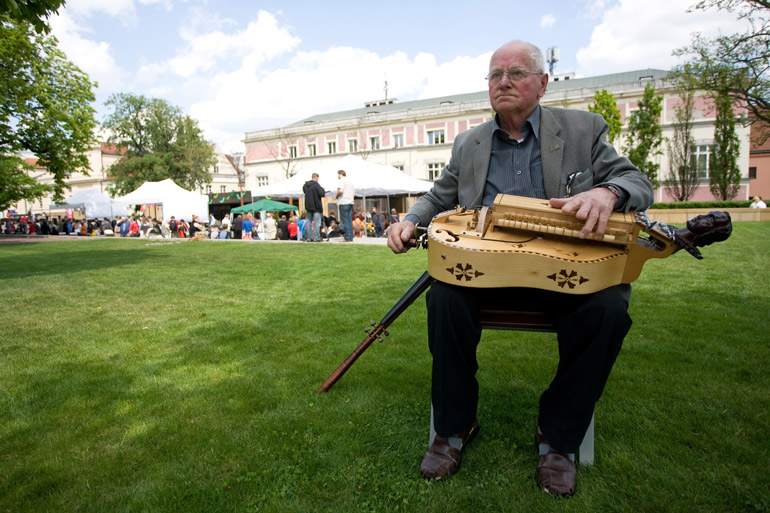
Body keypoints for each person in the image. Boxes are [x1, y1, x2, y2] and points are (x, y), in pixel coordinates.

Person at [387, 40, 654, 497]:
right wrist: (410, 219)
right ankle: (455, 428)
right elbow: (440, 195)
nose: (503, 82)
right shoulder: (469, 143)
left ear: (543, 83)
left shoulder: (582, 129)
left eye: (515, 73)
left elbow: (637, 182)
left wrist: (606, 194)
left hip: (563, 273)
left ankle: (557, 439)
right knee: (445, 298)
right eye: (495, 75)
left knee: (608, 306)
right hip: (487, 271)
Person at [303, 173, 325, 242]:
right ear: (316, 178)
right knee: (316, 222)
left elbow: (304, 191)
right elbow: (322, 194)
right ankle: (316, 237)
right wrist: (322, 189)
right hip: (316, 206)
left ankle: (309, 237)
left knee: (308, 222)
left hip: (308, 206)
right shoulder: (316, 185)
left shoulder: (305, 185)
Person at [336, 170, 355, 242]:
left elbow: (340, 191)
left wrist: (337, 196)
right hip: (350, 202)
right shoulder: (350, 181)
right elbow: (353, 193)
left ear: (340, 174)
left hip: (343, 202)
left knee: (345, 220)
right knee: (349, 220)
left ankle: (347, 237)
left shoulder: (341, 180)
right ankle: (350, 236)